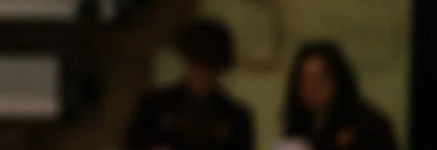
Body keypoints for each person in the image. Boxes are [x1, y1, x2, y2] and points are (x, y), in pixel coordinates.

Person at [122, 18, 253, 149]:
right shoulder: (153, 105)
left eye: (210, 68)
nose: (202, 74)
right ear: (186, 63)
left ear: (219, 70)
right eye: (197, 65)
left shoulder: (235, 118)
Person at [279, 41, 398, 150]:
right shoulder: (300, 128)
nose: (312, 89)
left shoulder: (369, 127)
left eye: (319, 79)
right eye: (305, 81)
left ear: (337, 81)